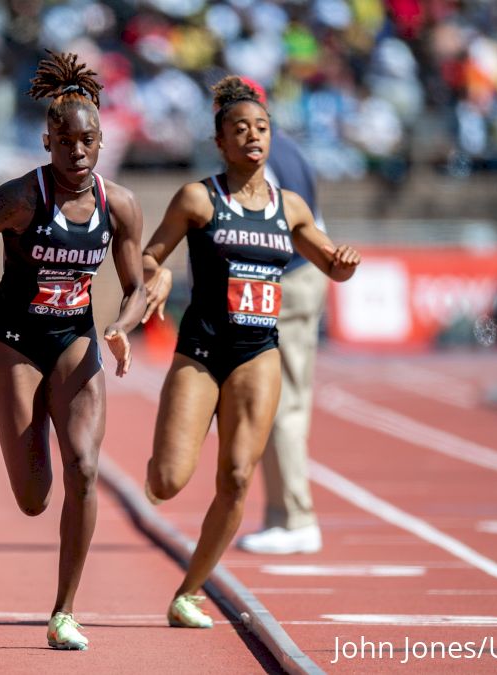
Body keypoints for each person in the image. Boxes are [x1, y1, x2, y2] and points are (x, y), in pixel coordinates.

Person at [0, 51, 146, 651]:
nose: (77, 154)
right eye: (65, 142)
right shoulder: (21, 199)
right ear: (47, 141)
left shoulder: (120, 205)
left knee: (84, 467)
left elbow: (136, 288)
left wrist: (123, 326)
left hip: (76, 340)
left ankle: (64, 612)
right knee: (33, 499)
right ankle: (44, 523)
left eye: (88, 142)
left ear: (102, 141)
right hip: (14, 343)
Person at [141, 77, 360, 629]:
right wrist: (157, 276)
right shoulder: (198, 197)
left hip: (258, 352)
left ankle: (188, 593)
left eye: (261, 128)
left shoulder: (290, 208)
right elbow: (150, 255)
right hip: (202, 349)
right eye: (239, 129)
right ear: (220, 141)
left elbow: (327, 260)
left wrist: (343, 264)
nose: (252, 137)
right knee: (167, 480)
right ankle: (161, 471)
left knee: (237, 476)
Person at [233, 87, 329, 555]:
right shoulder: (291, 148)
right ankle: (282, 515)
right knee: (283, 399)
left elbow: (262, 226)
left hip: (285, 279)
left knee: (280, 402)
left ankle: (295, 517)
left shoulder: (260, 156)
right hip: (303, 275)